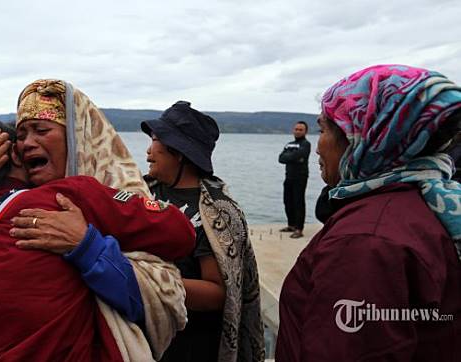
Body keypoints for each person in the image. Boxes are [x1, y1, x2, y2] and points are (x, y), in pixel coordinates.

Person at [0, 81, 197, 361]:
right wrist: (89, 248)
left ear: (78, 139)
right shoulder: (74, 194)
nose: (27, 143)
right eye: (21, 135)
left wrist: (85, 242)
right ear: (11, 157)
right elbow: (179, 235)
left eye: (41, 130)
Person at [276, 64, 461, 361]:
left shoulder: (365, 241)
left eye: (323, 129)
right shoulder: (430, 202)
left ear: (364, 137)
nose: (318, 147)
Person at [140, 101, 265, 362]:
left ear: (179, 153)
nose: (148, 151)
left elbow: (217, 293)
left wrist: (143, 283)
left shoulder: (216, 211)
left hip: (189, 347)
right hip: (143, 341)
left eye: (155, 140)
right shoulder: (141, 191)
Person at [278, 121, 311, 238]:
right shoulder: (289, 144)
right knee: (287, 201)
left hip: (300, 177)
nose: (297, 131)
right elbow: (281, 158)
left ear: (305, 131)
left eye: (300, 130)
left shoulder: (306, 144)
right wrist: (294, 157)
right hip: (289, 177)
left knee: (298, 202)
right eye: (296, 129)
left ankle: (299, 228)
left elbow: (300, 155)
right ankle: (291, 225)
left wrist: (291, 157)